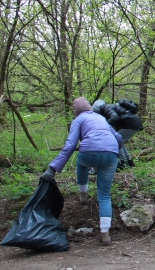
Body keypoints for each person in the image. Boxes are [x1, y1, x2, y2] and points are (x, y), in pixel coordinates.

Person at [41, 97, 123, 245]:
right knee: (104, 194)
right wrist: (114, 147)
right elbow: (117, 137)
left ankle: (83, 194)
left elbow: (70, 145)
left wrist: (52, 169)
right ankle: (105, 234)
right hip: (112, 154)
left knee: (81, 162)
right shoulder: (100, 117)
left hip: (89, 153)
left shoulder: (78, 120)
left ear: (76, 111)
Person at [92, 99, 143, 170]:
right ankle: (129, 162)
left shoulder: (107, 108)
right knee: (120, 141)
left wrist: (104, 126)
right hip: (133, 123)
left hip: (130, 124)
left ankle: (123, 162)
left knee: (115, 141)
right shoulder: (109, 107)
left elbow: (115, 117)